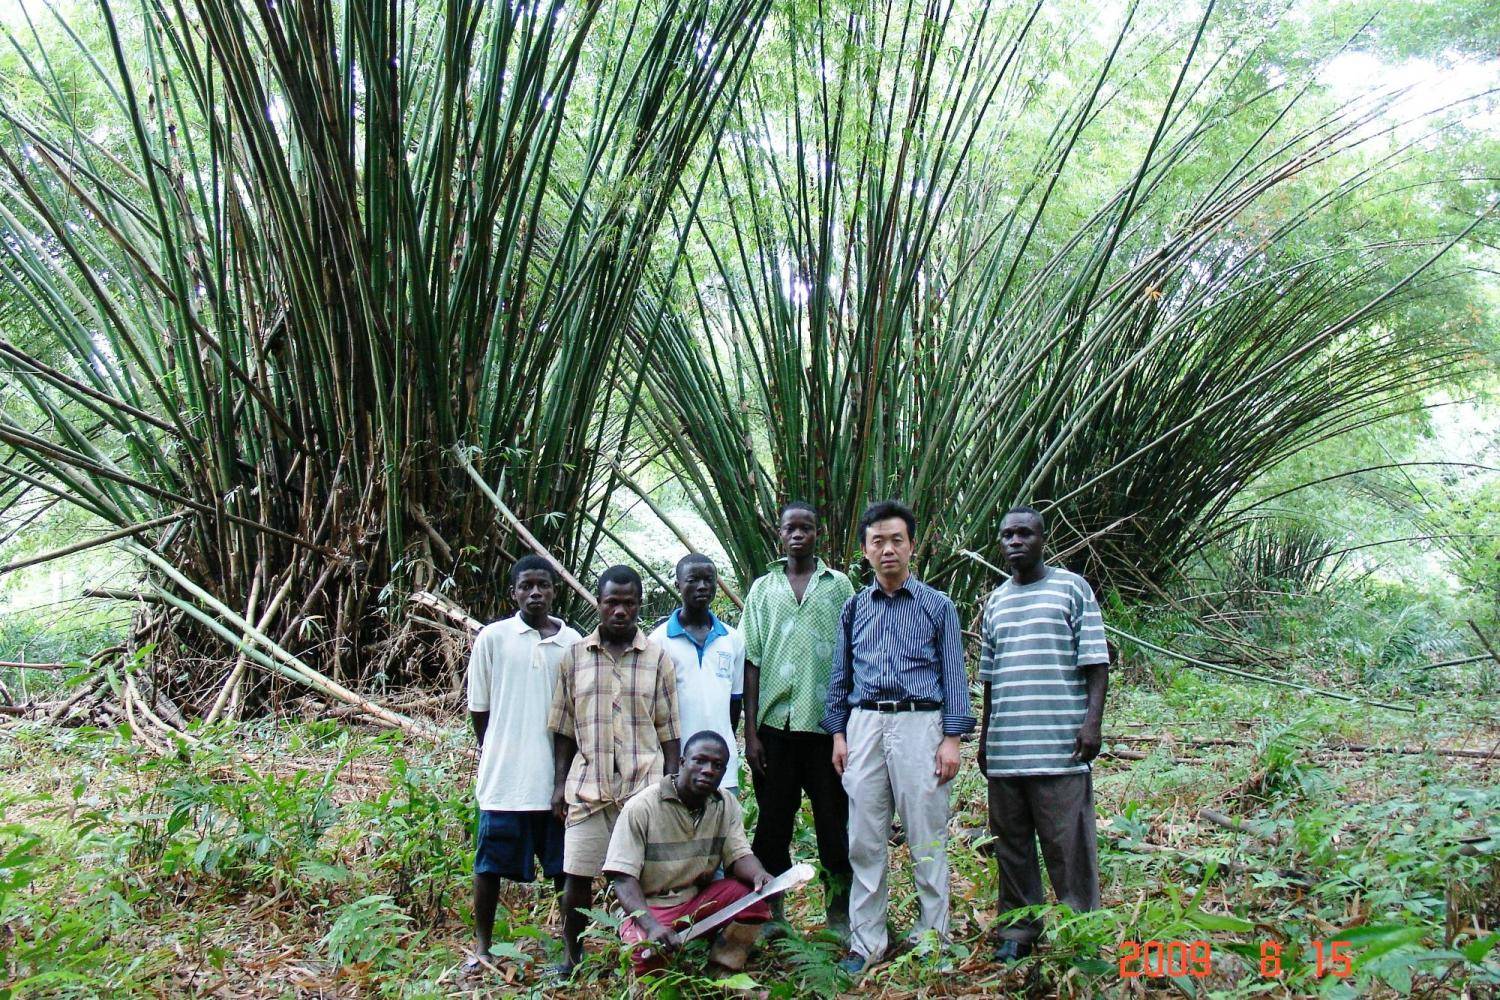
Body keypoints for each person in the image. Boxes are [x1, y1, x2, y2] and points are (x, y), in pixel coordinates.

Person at [824, 499, 974, 974]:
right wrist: (838, 734)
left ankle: (935, 938)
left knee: (926, 834)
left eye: (896, 540)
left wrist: (951, 738)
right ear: (865, 551)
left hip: (920, 725)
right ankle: (867, 941)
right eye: (877, 541)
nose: (888, 549)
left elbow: (954, 675)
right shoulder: (853, 608)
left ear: (912, 546)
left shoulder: (937, 605)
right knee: (864, 839)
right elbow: (840, 676)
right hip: (864, 724)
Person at [979, 505, 1109, 962]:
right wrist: (984, 740)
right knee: (1012, 847)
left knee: (1067, 845)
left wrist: (1091, 723)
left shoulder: (1072, 589)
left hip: (1059, 746)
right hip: (1008, 748)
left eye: (1024, 534)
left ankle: (1080, 928)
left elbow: (1096, 663)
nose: (1015, 542)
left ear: (1042, 539)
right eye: (1007, 535)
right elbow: (990, 679)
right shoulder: (995, 600)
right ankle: (1018, 931)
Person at [548, 565, 681, 975]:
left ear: (639, 605)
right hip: (589, 787)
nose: (620, 611)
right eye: (612, 602)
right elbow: (564, 727)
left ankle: (646, 954)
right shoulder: (575, 657)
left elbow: (670, 729)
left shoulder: (658, 658)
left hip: (645, 788)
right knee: (577, 876)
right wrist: (558, 785)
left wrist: (671, 784)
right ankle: (572, 956)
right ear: (599, 604)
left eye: (628, 603)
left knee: (652, 881)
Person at [741, 501, 856, 938]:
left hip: (827, 729)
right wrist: (750, 733)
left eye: (806, 528)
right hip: (776, 730)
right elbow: (752, 661)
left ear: (817, 534)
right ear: (780, 533)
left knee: (833, 824)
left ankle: (839, 914)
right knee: (772, 826)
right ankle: (773, 913)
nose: (798, 535)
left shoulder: (839, 586)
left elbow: (852, 653)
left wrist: (847, 726)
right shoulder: (762, 589)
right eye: (791, 528)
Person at [465, 555, 583, 972]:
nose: (536, 593)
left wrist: (562, 777)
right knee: (489, 865)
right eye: (527, 586)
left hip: (556, 780)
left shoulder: (573, 643)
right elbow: (480, 709)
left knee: (566, 869)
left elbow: (575, 715)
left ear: (555, 591)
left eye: (544, 585)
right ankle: (482, 946)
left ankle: (571, 953)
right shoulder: (493, 638)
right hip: (504, 779)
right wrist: (500, 750)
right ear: (513, 592)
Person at [603, 731, 777, 977]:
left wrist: (760, 876)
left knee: (753, 900)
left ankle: (723, 969)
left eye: (717, 765)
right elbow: (622, 878)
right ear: (682, 763)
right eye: (700, 761)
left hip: (696, 900)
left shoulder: (724, 803)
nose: (708, 770)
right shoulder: (643, 807)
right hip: (651, 906)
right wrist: (652, 926)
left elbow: (739, 855)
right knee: (647, 959)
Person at [649, 554, 746, 794]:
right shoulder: (658, 642)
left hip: (722, 768)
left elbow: (735, 704)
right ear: (678, 585)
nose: (702, 586)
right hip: (676, 766)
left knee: (721, 828)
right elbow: (652, 711)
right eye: (693, 580)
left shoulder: (732, 640)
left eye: (709, 580)